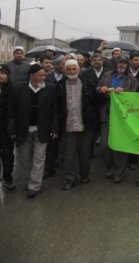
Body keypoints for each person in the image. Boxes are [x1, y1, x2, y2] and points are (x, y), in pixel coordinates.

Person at [8, 64, 59, 198]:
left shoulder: (50, 89)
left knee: (39, 158)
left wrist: (54, 128)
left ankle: (34, 185)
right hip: (23, 130)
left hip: (42, 130)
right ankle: (29, 179)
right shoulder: (18, 88)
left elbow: (55, 111)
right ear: (31, 76)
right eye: (40, 75)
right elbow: (11, 111)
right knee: (24, 158)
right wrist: (12, 129)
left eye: (44, 75)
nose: (43, 77)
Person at [56, 60, 97, 190]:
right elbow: (56, 107)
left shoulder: (87, 84)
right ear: (65, 70)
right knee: (69, 155)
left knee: (85, 153)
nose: (72, 72)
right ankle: (70, 178)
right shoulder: (59, 85)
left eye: (74, 69)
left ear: (78, 70)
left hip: (84, 125)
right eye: (69, 69)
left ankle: (84, 175)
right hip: (67, 126)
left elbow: (95, 103)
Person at [98, 56, 138, 183]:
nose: (122, 65)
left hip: (123, 117)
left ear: (128, 65)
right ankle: (109, 167)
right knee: (105, 145)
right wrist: (101, 89)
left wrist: (125, 91)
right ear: (116, 64)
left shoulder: (131, 79)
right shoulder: (106, 76)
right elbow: (97, 88)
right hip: (107, 114)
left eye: (125, 63)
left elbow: (134, 96)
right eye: (120, 63)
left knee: (120, 145)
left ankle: (119, 172)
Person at [0, 64, 15, 190]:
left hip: (6, 127)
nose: (1, 75)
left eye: (3, 73)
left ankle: (8, 177)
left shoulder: (13, 88)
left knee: (7, 154)